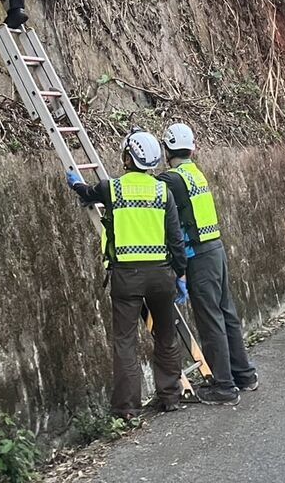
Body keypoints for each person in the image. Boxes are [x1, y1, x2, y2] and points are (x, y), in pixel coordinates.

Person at [66, 128, 188, 419]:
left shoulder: (113, 188)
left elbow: (87, 192)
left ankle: (126, 408)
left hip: (127, 276)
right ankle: (170, 395)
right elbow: (175, 239)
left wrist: (76, 184)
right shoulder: (163, 191)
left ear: (128, 157)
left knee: (125, 341)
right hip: (161, 276)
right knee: (166, 336)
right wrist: (180, 274)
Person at [159, 123, 257, 404]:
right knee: (226, 314)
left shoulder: (171, 180)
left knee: (210, 320)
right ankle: (244, 375)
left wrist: (179, 269)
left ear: (167, 149)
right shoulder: (194, 173)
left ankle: (224, 388)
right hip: (215, 249)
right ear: (192, 147)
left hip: (198, 256)